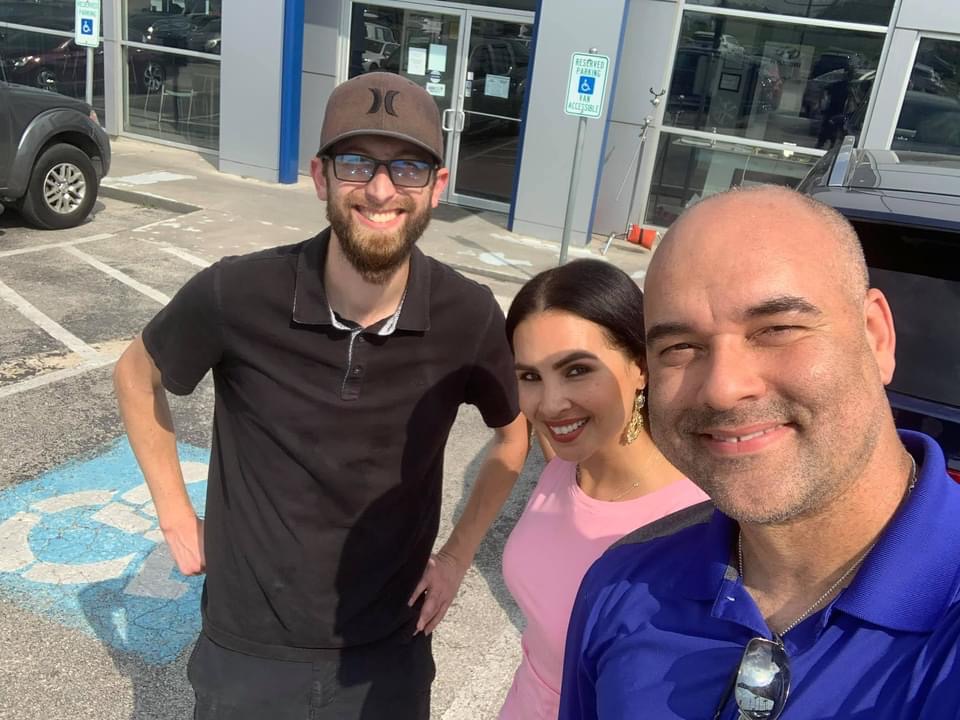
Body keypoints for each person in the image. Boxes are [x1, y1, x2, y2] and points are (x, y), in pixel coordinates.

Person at [113, 72, 528, 720]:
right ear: (321, 176)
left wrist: (456, 555)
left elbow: (512, 436)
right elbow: (135, 375)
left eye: (409, 167)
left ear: (437, 187)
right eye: (357, 162)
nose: (382, 189)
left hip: (388, 652)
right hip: (248, 649)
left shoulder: (467, 316)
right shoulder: (237, 294)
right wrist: (173, 512)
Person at [558, 185, 960, 719]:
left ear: (875, 337)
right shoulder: (622, 584)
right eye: (680, 347)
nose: (723, 388)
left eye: (777, 329)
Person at [499, 259, 707, 719]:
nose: (550, 404)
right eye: (530, 376)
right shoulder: (565, 466)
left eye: (576, 370)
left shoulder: (697, 521)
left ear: (641, 366)